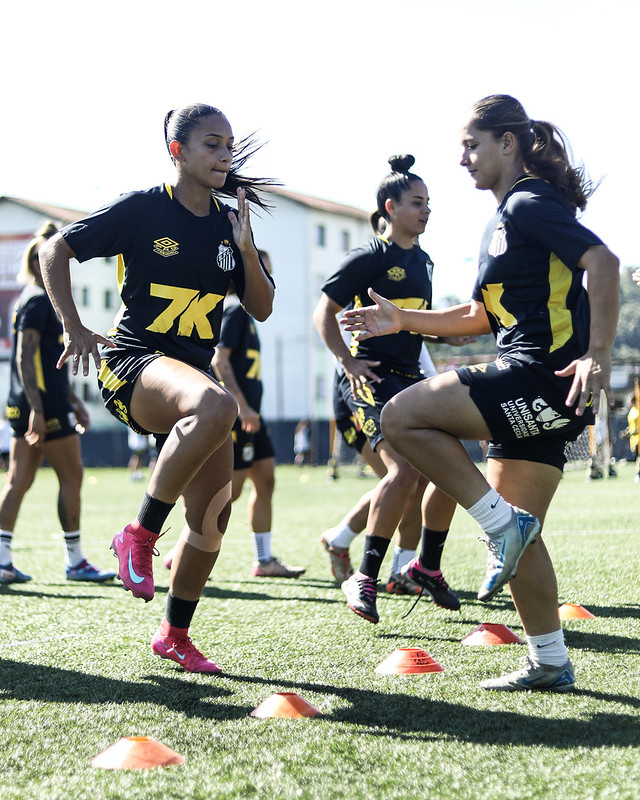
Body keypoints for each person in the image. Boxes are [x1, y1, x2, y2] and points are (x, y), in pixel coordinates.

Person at [342, 94, 620, 691]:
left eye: (473, 144)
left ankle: (498, 523)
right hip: (552, 394)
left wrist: (598, 355)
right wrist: (402, 321)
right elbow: (478, 313)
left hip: (537, 375)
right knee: (522, 538)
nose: (463, 158)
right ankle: (550, 660)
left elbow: (603, 260)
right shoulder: (506, 216)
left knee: (400, 417)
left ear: (508, 143)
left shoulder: (526, 202)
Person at [38, 104, 275, 674]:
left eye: (229, 146)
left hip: (194, 387)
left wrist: (245, 249)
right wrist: (72, 324)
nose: (225, 156)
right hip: (134, 364)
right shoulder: (144, 207)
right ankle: (138, 534)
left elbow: (262, 310)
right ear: (178, 151)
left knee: (213, 521)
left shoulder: (229, 223)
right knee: (215, 403)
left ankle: (175, 634)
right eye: (212, 145)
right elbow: (55, 250)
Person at [313, 154, 460, 624]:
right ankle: (368, 576)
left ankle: (409, 566)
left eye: (429, 203)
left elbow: (420, 330)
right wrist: (348, 361)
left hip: (410, 379)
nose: (427, 211)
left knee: (434, 471)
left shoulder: (425, 262)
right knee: (400, 475)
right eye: (418, 203)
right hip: (370, 380)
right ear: (390, 207)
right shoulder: (368, 258)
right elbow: (324, 314)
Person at [163, 250, 304, 579]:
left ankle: (264, 559)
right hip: (240, 416)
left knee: (265, 480)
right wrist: (240, 405)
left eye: (269, 272)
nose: (268, 280)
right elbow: (220, 360)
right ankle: (182, 550)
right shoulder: (235, 311)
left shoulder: (247, 315)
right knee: (230, 492)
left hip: (253, 416)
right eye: (261, 272)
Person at [0, 221, 116, 585]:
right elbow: (25, 357)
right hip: (41, 406)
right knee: (71, 475)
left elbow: (47, 361)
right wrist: (41, 407)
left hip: (32, 402)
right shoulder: (37, 300)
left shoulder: (31, 299)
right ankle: (76, 561)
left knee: (18, 481)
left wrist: (71, 400)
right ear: (38, 264)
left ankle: (2, 560)